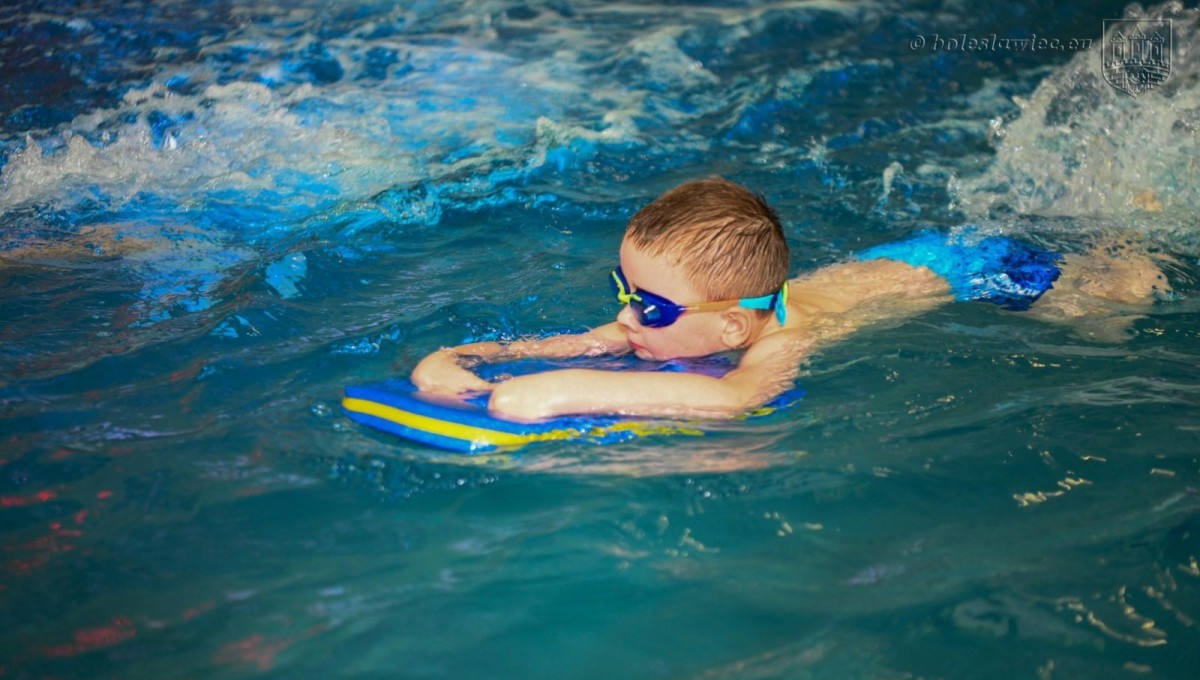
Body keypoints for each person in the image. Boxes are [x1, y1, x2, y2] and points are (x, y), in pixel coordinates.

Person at [411, 177, 1170, 421]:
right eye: (625, 293)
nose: (623, 319)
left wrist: (566, 391)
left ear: (732, 326)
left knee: (1100, 323)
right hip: (899, 259)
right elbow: (570, 344)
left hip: (977, 269)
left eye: (650, 309)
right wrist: (460, 359)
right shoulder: (672, 322)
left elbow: (737, 398)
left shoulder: (779, 340)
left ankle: (1134, 239)